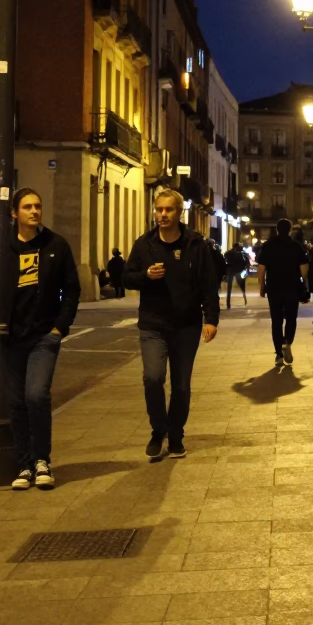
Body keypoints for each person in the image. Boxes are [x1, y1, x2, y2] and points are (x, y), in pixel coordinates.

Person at [0, 188, 81, 490]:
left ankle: (42, 460)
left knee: (37, 395)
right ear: (14, 213)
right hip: (11, 337)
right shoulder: (1, 250)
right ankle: (24, 465)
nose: (35, 211)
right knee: (16, 402)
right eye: (28, 207)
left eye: (38, 206)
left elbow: (72, 290)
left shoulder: (55, 245)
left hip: (44, 335)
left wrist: (60, 327)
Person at [122, 189, 220, 459]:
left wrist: (211, 319)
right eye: (159, 210)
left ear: (179, 212)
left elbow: (208, 285)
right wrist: (146, 275)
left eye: (168, 210)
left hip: (186, 325)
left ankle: (175, 435)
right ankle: (158, 430)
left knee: (181, 385)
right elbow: (127, 278)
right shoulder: (144, 244)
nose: (162, 215)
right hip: (153, 325)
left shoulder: (195, 245)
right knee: (153, 378)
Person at [257, 218, 308, 365]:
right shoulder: (295, 246)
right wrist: (303, 282)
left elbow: (261, 268)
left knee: (276, 320)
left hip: (274, 288)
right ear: (290, 230)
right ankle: (288, 342)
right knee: (291, 317)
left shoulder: (268, 246)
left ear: (277, 229)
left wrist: (262, 286)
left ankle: (279, 354)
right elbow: (304, 268)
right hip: (292, 287)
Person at [224, 241, 250, 308]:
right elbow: (247, 263)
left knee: (229, 288)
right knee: (242, 285)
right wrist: (246, 271)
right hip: (239, 271)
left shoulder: (229, 253)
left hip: (231, 271)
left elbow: (225, 260)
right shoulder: (243, 254)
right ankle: (244, 297)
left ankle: (228, 303)